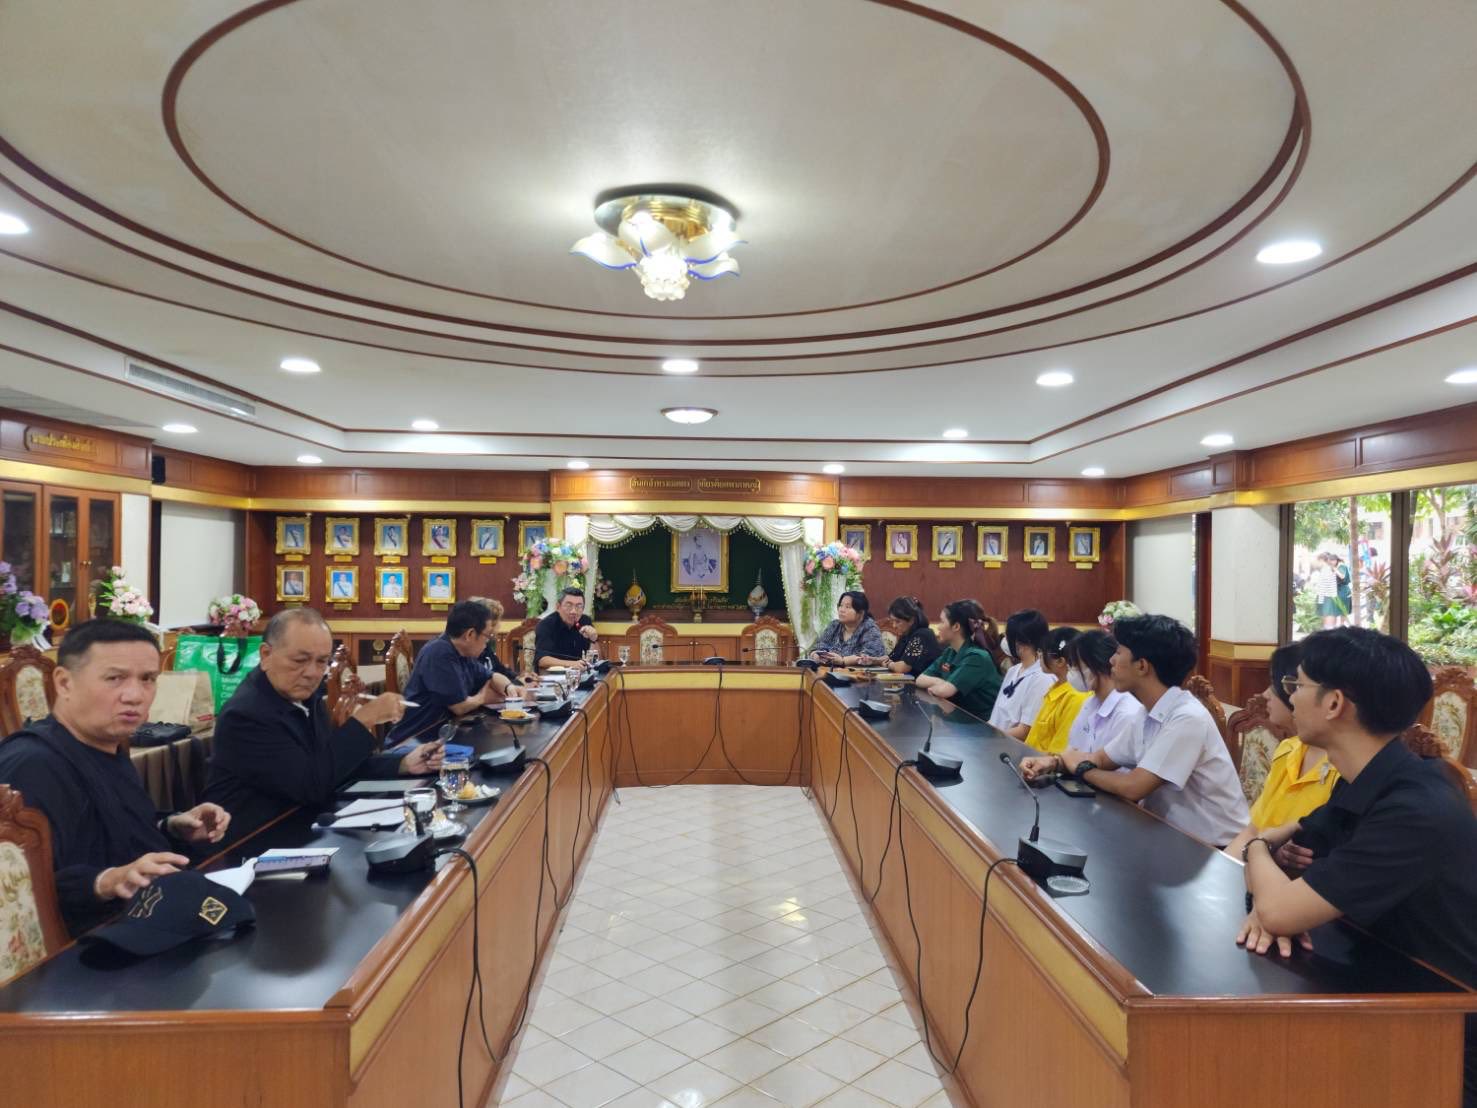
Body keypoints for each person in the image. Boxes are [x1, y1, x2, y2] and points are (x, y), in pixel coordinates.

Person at [1232, 628, 1477, 1103]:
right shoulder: (1365, 778)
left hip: (1449, 1037)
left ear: (1334, 703)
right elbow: (1290, 868)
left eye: (1297, 684)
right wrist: (1272, 877)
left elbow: (1279, 909)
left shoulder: (1415, 808)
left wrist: (1256, 850)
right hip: (1382, 988)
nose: (1289, 696)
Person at [0, 620, 231, 936]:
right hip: (88, 946)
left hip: (148, 915)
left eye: (148, 679)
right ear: (64, 683)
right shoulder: (33, 764)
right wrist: (106, 881)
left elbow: (115, 831)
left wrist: (173, 825)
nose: (135, 696)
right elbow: (20, 893)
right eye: (115, 678)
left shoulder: (105, 744)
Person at [205, 609, 439, 846]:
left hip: (308, 826)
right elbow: (310, 785)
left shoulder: (306, 697)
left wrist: (403, 763)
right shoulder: (246, 715)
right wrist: (364, 720)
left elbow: (331, 765)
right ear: (266, 655)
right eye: (300, 660)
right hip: (254, 842)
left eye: (321, 661)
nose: (312, 673)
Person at [1020, 614, 1249, 847]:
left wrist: (1080, 769)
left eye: (1119, 652)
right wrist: (1055, 762)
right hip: (1166, 836)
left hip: (1215, 850)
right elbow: (1102, 758)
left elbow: (1134, 787)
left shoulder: (1187, 717)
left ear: (1142, 666)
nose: (1111, 660)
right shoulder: (1147, 712)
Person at [1222, 643, 1339, 868]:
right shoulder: (1288, 749)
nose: (1265, 694)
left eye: (1295, 686)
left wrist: (1262, 850)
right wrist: (1221, 871)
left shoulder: (1346, 769)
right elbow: (1253, 831)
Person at [390, 601, 510, 741]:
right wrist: (483, 697)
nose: (487, 643)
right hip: (413, 740)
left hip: (442, 734)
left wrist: (510, 688)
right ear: (470, 634)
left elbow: (491, 676)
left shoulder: (462, 651)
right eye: (488, 636)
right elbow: (459, 706)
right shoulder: (439, 653)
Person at [1059, 629, 1144, 755]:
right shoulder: (1090, 703)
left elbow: (1113, 764)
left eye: (1076, 666)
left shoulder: (1126, 715)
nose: (1072, 672)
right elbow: (1073, 748)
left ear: (1095, 665)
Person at [915, 600, 1002, 720]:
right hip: (958, 717)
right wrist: (941, 682)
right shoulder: (950, 652)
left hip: (981, 724)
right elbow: (920, 679)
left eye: (942, 621)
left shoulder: (977, 657)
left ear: (956, 626)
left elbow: (944, 691)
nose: (938, 627)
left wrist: (942, 686)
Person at [987, 609, 1055, 739]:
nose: (1005, 640)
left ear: (1022, 643)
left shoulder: (1042, 678)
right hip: (995, 740)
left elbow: (1025, 731)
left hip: (1010, 746)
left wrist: (989, 738)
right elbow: (995, 717)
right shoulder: (1013, 670)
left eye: (1008, 637)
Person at [1022, 627, 1090, 755]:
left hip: (1044, 765)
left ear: (1060, 661)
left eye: (1042, 651)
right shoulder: (1056, 688)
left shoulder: (1076, 698)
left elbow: (1058, 753)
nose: (1039, 655)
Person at [467, 596, 535, 695]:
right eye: (497, 621)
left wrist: (520, 677)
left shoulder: (486, 645)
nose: (499, 625)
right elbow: (481, 684)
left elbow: (500, 670)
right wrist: (518, 683)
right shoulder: (471, 650)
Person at [863, 596, 940, 676]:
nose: (894, 626)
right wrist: (873, 660)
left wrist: (888, 664)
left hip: (924, 682)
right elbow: (891, 658)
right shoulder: (906, 634)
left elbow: (902, 668)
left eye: (897, 621)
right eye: (892, 621)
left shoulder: (922, 635)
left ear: (911, 620)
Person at [808, 590, 886, 665]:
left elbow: (869, 657)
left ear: (861, 613)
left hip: (859, 673)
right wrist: (815, 655)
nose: (841, 610)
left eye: (847, 607)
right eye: (841, 605)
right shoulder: (835, 625)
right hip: (830, 670)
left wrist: (843, 661)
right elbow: (819, 646)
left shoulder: (870, 629)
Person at [534, 587, 599, 670]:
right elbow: (542, 660)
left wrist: (593, 640)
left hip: (579, 674)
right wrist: (572, 664)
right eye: (569, 605)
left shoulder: (585, 621)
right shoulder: (546, 625)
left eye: (579, 606)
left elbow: (596, 661)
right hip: (552, 675)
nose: (573, 611)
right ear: (558, 606)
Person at [1312, 552, 1344, 629]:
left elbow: (1323, 587)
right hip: (1331, 597)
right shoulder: (1330, 568)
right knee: (1331, 623)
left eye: (1317, 561)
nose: (1316, 563)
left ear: (1322, 560)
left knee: (1329, 625)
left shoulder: (1326, 569)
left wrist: (1320, 601)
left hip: (1327, 598)